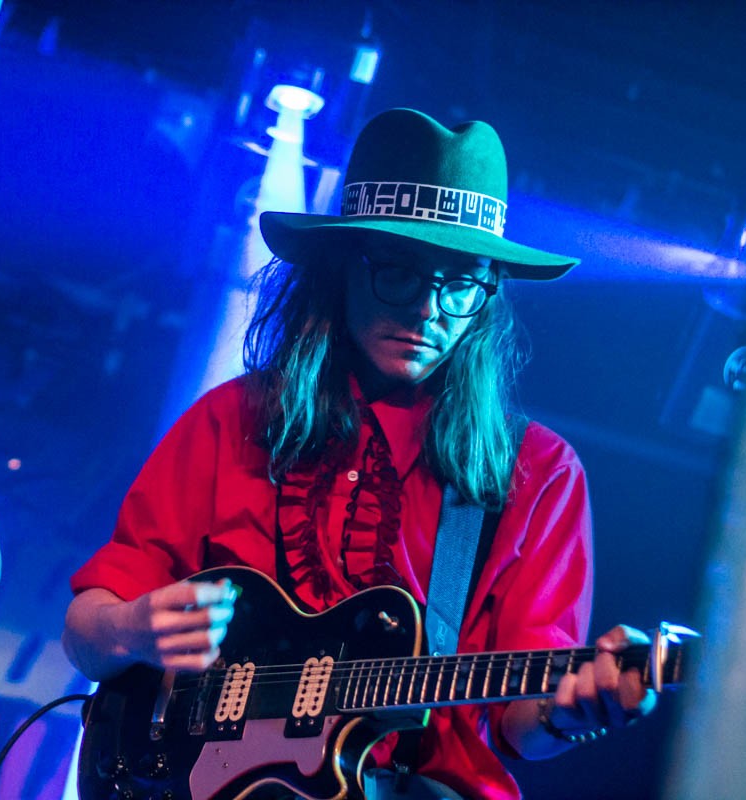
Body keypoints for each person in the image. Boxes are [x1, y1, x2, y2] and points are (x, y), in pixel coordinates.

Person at [63, 108, 657, 800]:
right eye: (400, 273)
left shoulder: (539, 472)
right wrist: (132, 629)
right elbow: (85, 633)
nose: (430, 310)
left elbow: (523, 725)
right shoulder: (233, 418)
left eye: (462, 283)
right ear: (341, 268)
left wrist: (573, 710)